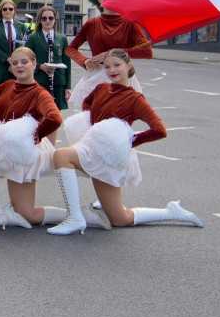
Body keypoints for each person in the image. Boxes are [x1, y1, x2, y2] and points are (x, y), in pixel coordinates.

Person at [49, 49, 202, 234]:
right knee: (120, 218)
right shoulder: (101, 88)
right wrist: (91, 123)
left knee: (119, 218)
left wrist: (123, 142)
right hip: (93, 151)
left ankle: (76, 218)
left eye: (117, 65)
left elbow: (159, 130)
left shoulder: (135, 99)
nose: (112, 70)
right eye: (107, 66)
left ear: (128, 66)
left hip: (110, 158)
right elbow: (87, 104)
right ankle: (170, 212)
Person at [0, 47, 67, 231]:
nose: (19, 66)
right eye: (15, 63)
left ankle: (79, 215)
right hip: (4, 146)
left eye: (24, 62)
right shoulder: (8, 85)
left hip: (25, 152)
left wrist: (33, 136)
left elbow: (55, 118)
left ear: (34, 64)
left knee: (27, 213)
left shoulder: (40, 93)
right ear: (10, 68)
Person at [65, 0, 152, 109]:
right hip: (96, 74)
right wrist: (84, 61)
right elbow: (70, 48)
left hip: (121, 75)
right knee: (93, 119)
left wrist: (112, 53)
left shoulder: (131, 24)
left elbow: (147, 52)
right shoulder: (92, 24)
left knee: (121, 119)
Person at [27, 5, 72, 141]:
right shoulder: (33, 38)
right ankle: (38, 144)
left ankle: (51, 149)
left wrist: (68, 86)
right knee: (39, 115)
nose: (48, 21)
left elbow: (67, 63)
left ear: (55, 20)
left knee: (54, 118)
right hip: (40, 81)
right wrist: (40, 66)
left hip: (58, 82)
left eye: (50, 18)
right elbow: (26, 59)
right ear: (40, 20)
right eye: (44, 18)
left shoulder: (62, 38)